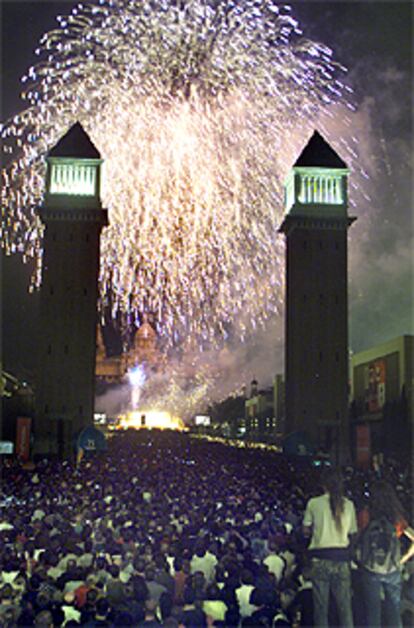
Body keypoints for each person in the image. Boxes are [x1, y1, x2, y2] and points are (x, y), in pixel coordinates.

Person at [303, 467, 357, 627]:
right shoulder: (349, 504)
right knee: (345, 607)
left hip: (320, 559)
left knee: (321, 608)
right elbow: (352, 533)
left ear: (323, 484)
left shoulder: (314, 503)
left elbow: (305, 531)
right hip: (341, 559)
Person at [357, 480, 414, 627]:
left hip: (370, 569)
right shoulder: (396, 517)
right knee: (394, 611)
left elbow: (356, 538)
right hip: (392, 569)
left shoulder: (366, 514)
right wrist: (402, 559)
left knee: (372, 612)